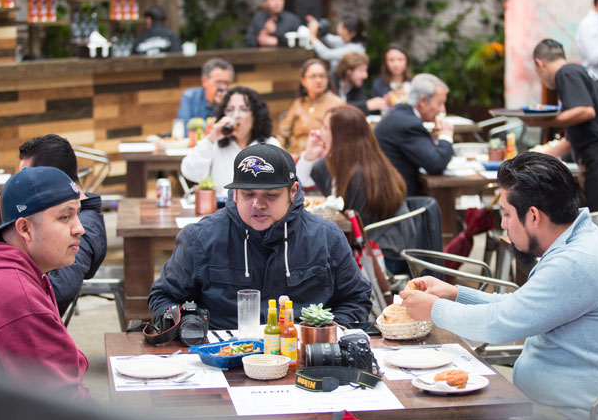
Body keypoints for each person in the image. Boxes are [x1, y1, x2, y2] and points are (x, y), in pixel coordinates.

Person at [400, 152, 598, 420]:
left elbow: (499, 324)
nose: (502, 224)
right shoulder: (574, 243)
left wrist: (433, 310)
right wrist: (454, 294)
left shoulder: (577, 262)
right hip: (556, 408)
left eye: (506, 214)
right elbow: (517, 307)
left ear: (534, 216)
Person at [148, 144, 372, 329]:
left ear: (292, 192)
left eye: (271, 195)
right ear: (234, 193)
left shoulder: (327, 237)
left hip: (305, 355)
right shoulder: (200, 239)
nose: (258, 204)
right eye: (248, 194)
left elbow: (356, 298)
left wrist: (332, 332)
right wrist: (187, 324)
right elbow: (162, 298)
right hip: (223, 355)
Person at [0, 167, 91, 402]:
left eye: (77, 215)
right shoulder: (13, 293)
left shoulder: (4, 266)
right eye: (65, 217)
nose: (79, 228)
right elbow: (65, 406)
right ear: (24, 229)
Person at [296, 105, 416, 271]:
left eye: (325, 128)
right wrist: (309, 155)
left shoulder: (360, 176)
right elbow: (298, 185)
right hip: (374, 250)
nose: (319, 132)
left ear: (340, 136)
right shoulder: (350, 162)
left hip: (382, 257)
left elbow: (348, 232)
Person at [529, 39, 598, 211]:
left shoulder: (566, 73)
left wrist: (545, 121)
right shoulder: (578, 71)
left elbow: (586, 111)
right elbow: (578, 134)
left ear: (539, 63)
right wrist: (540, 156)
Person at [18, 134, 107, 316]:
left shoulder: (85, 226)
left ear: (54, 177)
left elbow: (60, 290)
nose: (21, 184)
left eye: (27, 177)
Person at [181, 86, 280, 196]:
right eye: (230, 109)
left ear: (255, 115)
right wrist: (210, 138)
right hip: (221, 209)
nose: (236, 115)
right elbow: (190, 173)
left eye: (243, 109)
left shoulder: (270, 145)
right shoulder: (216, 144)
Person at [374, 73, 454, 197]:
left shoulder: (402, 114)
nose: (443, 110)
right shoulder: (409, 124)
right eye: (440, 103)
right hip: (396, 200)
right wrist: (446, 137)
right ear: (422, 101)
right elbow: (436, 164)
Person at [278, 58, 343, 155]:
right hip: (294, 157)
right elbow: (282, 133)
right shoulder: (298, 104)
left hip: (321, 159)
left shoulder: (337, 104)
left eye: (322, 76)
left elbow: (341, 139)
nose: (318, 80)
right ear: (303, 81)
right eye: (313, 76)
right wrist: (280, 153)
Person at [176, 58, 234, 123]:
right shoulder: (190, 97)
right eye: (218, 82)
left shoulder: (232, 101)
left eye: (226, 83)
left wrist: (221, 107)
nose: (223, 87)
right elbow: (185, 127)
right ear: (204, 81)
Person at [370, 43, 412, 112]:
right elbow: (374, 112)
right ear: (386, 63)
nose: (396, 64)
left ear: (406, 61)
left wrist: (408, 98)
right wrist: (386, 102)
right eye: (391, 60)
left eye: (400, 59)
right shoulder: (379, 84)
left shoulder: (413, 83)